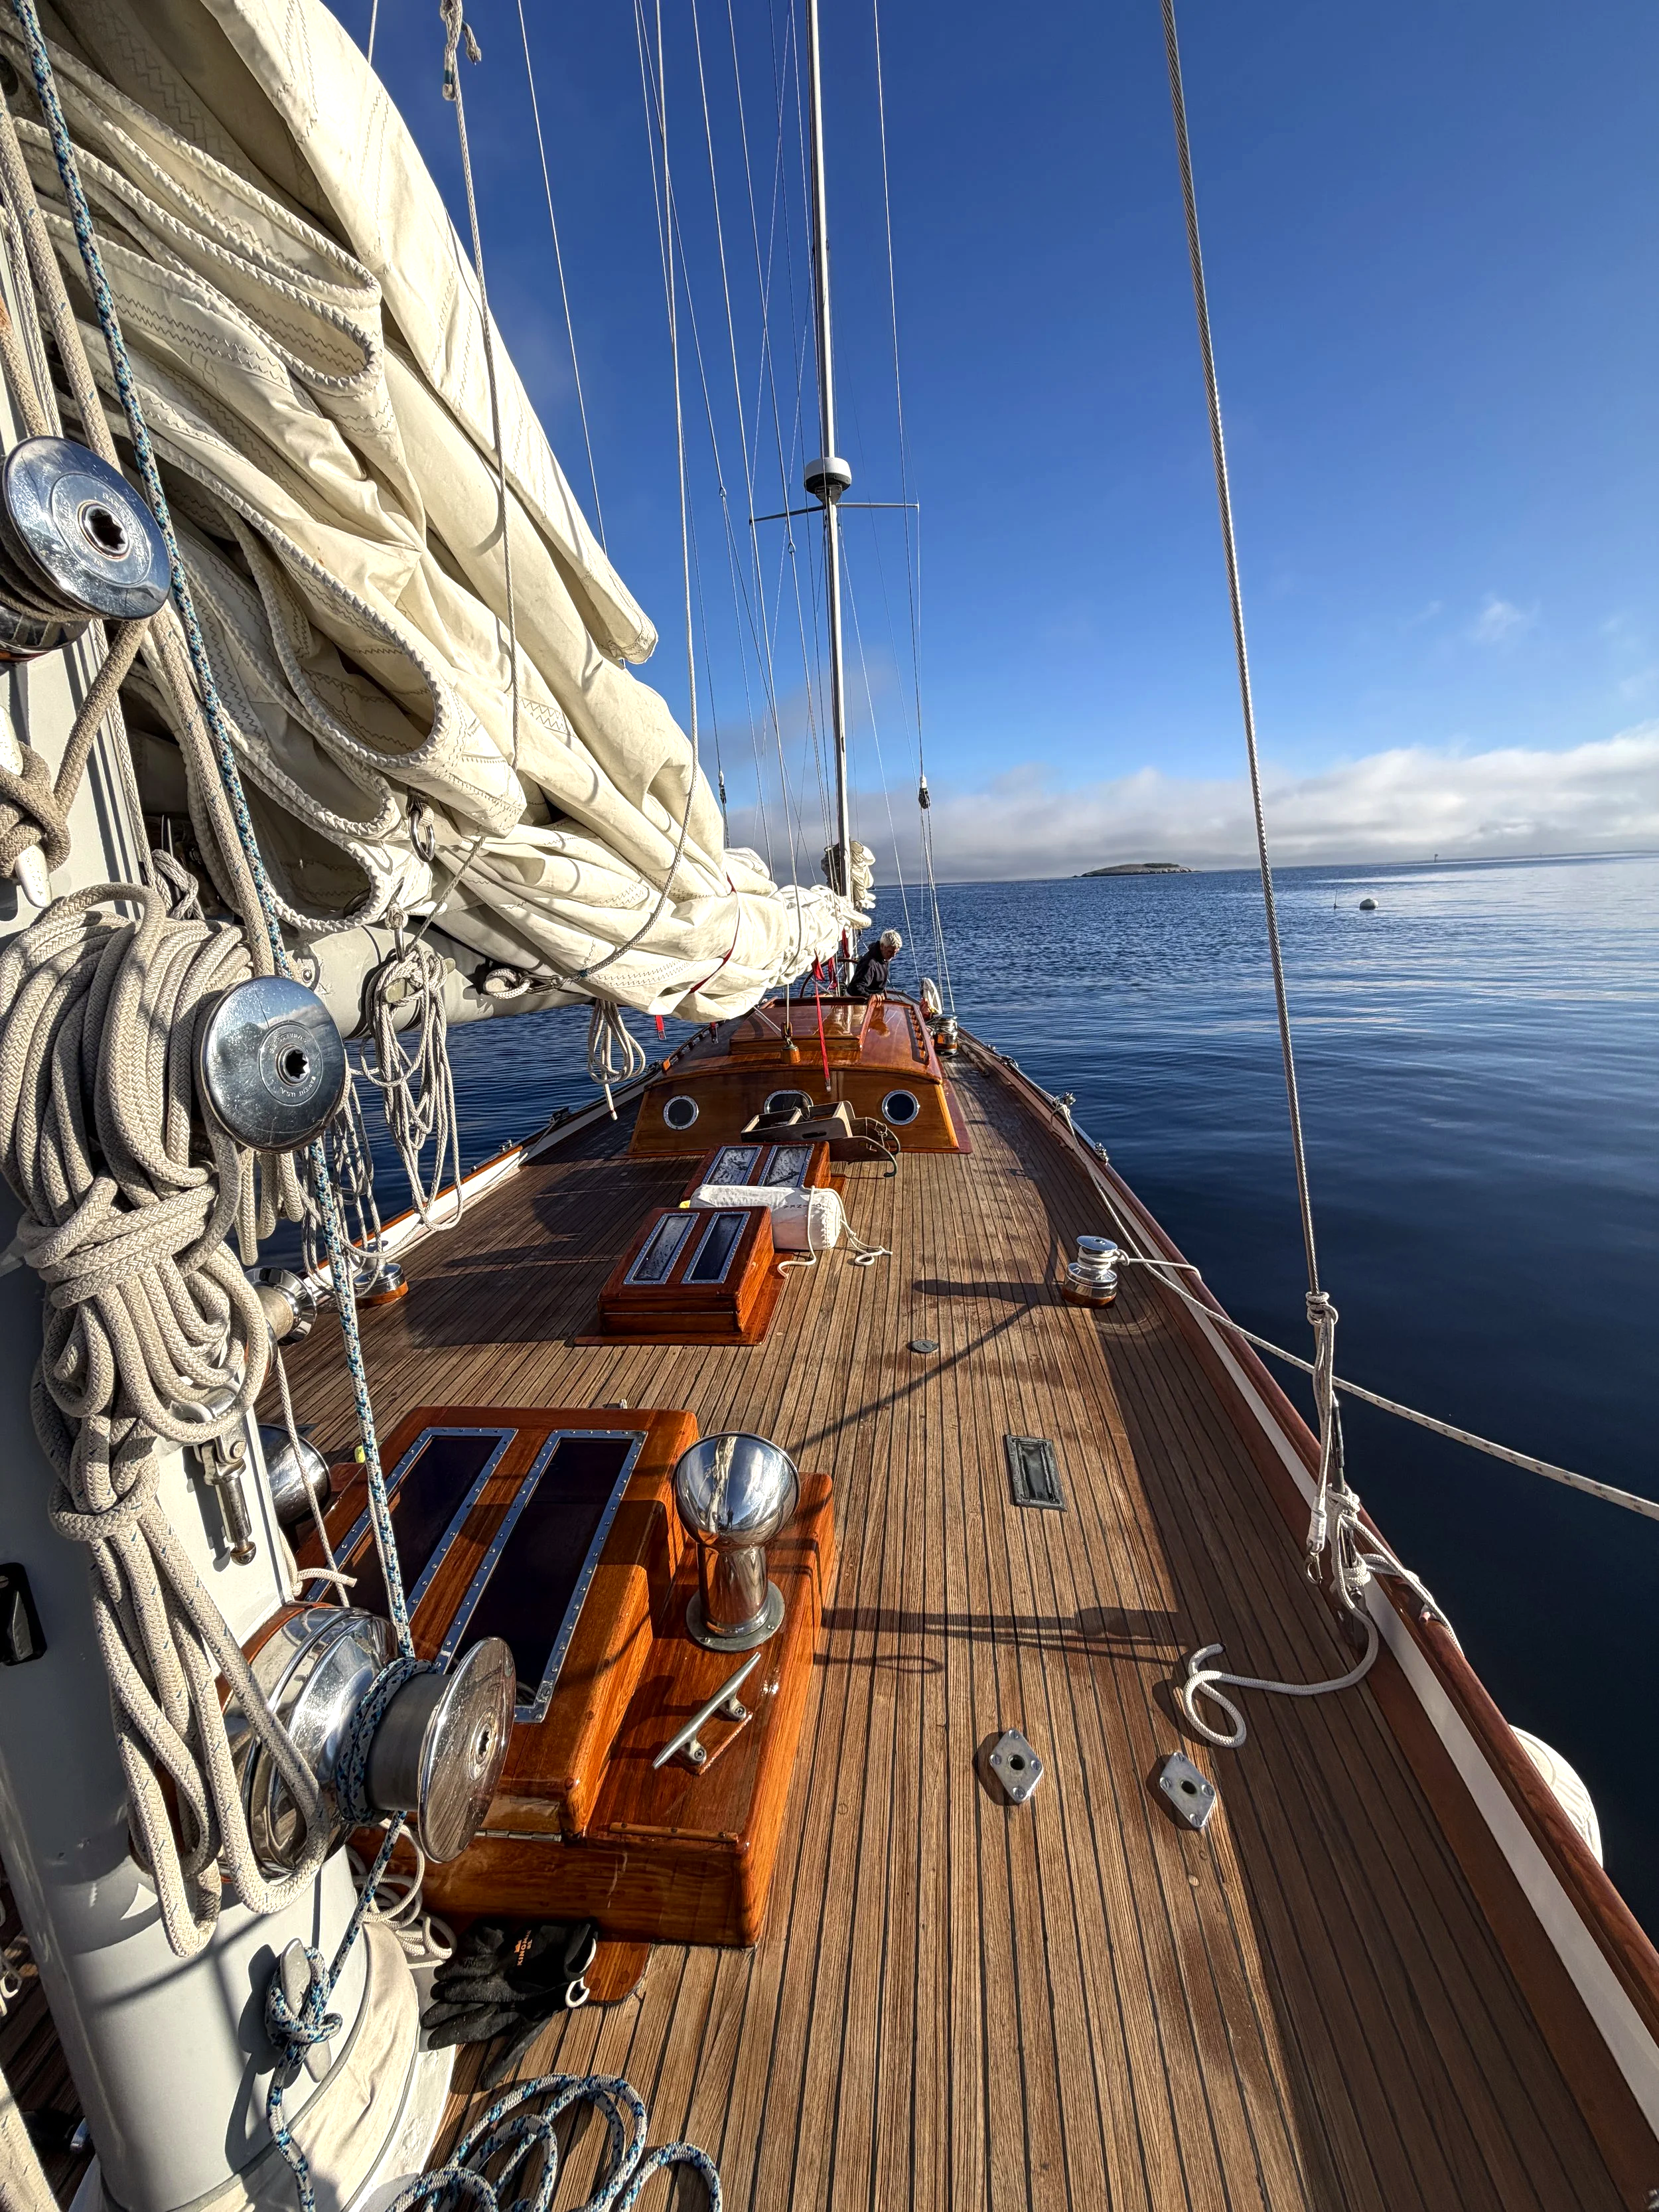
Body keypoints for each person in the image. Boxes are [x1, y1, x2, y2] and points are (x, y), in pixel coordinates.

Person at [846, 929, 901, 999]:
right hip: (858, 1001)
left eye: (896, 952)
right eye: (890, 952)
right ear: (882, 946)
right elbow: (856, 988)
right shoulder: (870, 964)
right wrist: (872, 997)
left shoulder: (883, 958)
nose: (893, 956)